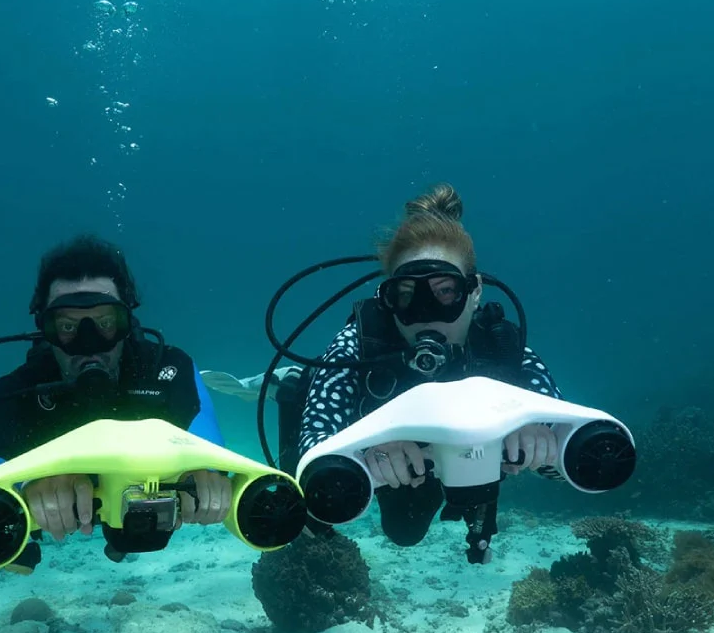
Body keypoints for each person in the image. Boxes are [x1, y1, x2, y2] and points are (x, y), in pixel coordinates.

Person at [204, 183, 563, 549]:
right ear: (387, 299)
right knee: (396, 529)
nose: (425, 315)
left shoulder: (500, 345)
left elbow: (570, 453)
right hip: (390, 458)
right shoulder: (359, 343)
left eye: (445, 292)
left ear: (475, 292)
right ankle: (296, 386)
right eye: (406, 295)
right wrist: (365, 451)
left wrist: (540, 440)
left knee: (429, 521)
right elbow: (314, 445)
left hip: (458, 458)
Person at [0, 234, 232, 573]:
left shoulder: (169, 369)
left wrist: (204, 474)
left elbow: (210, 445)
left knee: (139, 534)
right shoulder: (13, 392)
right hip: (64, 501)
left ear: (127, 323)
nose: (88, 344)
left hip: (141, 495)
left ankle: (125, 536)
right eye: (68, 327)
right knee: (6, 553)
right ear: (45, 328)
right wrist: (24, 485)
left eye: (106, 323)